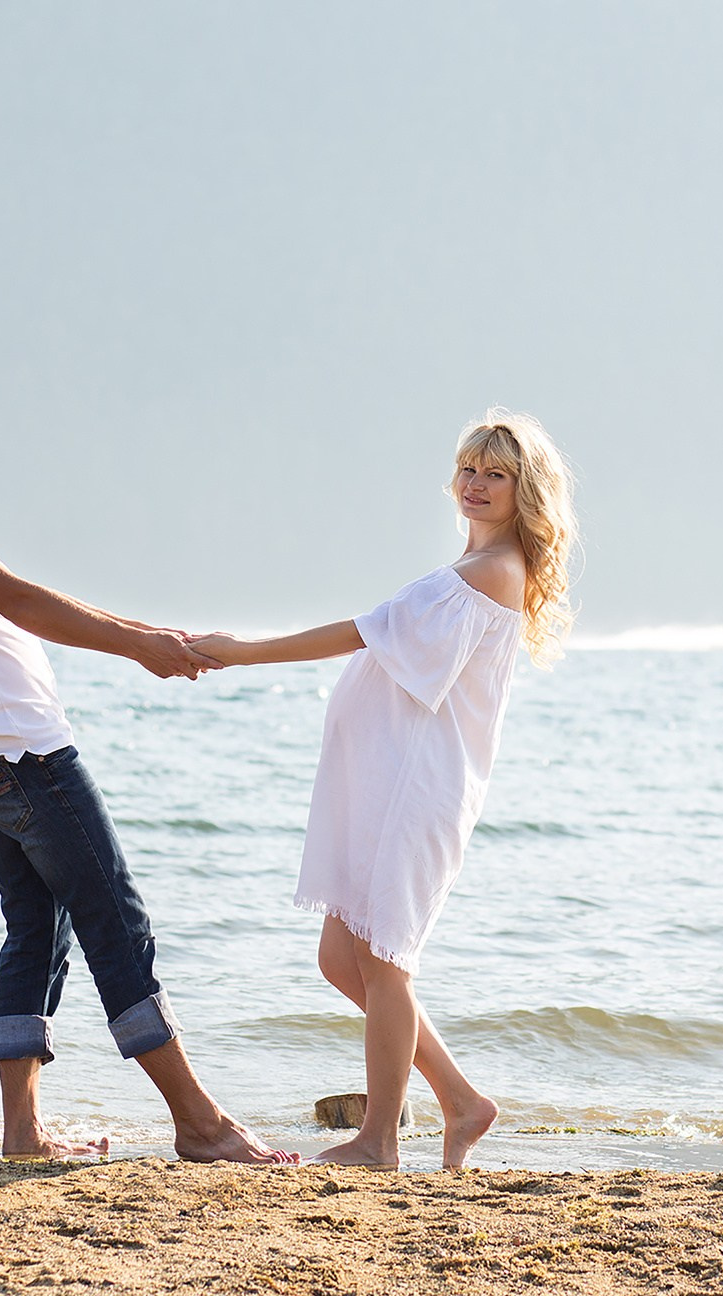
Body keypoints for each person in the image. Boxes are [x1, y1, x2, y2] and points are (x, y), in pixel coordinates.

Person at [0, 358, 292, 1164]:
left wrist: (153, 636)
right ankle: (200, 1123)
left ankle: (22, 1132)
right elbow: (17, 597)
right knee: (113, 920)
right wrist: (137, 647)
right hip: (22, 755)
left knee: (36, 929)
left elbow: (12, 602)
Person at [191, 410, 577, 1169]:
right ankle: (464, 1101)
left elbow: (365, 632)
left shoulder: (492, 571)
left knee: (387, 962)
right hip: (390, 781)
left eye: (495, 473)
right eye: (469, 467)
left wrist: (243, 653)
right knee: (343, 958)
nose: (475, 483)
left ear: (524, 489)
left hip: (418, 788)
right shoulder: (471, 568)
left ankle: (378, 1140)